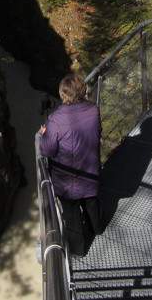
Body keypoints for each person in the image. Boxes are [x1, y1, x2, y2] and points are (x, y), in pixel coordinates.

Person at [38, 73, 103, 256]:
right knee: (91, 202)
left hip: (67, 179)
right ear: (83, 91)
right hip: (91, 170)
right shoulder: (93, 109)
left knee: (72, 213)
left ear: (62, 94)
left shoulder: (56, 120)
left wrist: (45, 134)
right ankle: (97, 228)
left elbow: (48, 151)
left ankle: (78, 250)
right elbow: (98, 132)